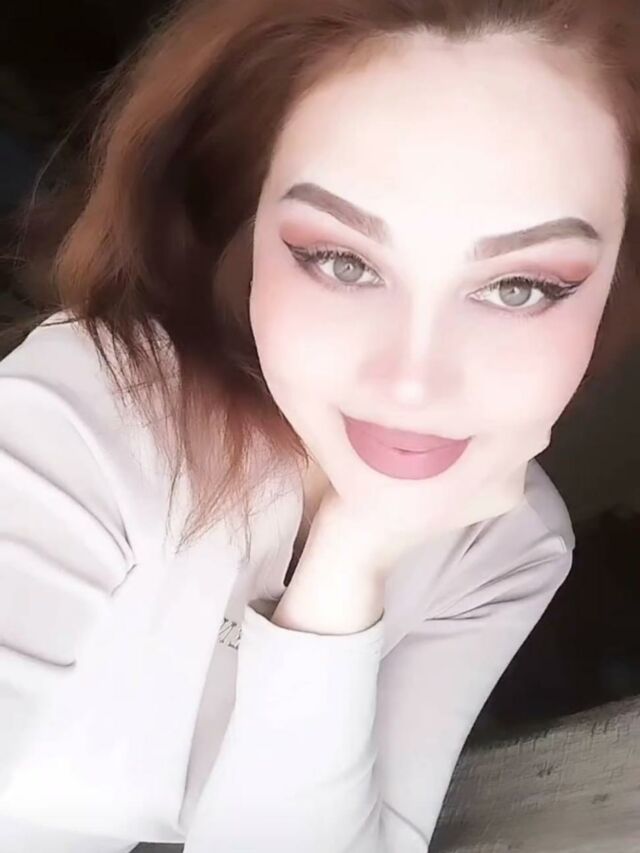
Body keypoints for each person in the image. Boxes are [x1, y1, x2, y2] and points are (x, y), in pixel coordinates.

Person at [0, 0, 637, 850]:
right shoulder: (86, 413)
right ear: (244, 224)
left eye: (519, 287)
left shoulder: (507, 544)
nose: (411, 383)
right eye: (342, 261)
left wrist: (351, 561)